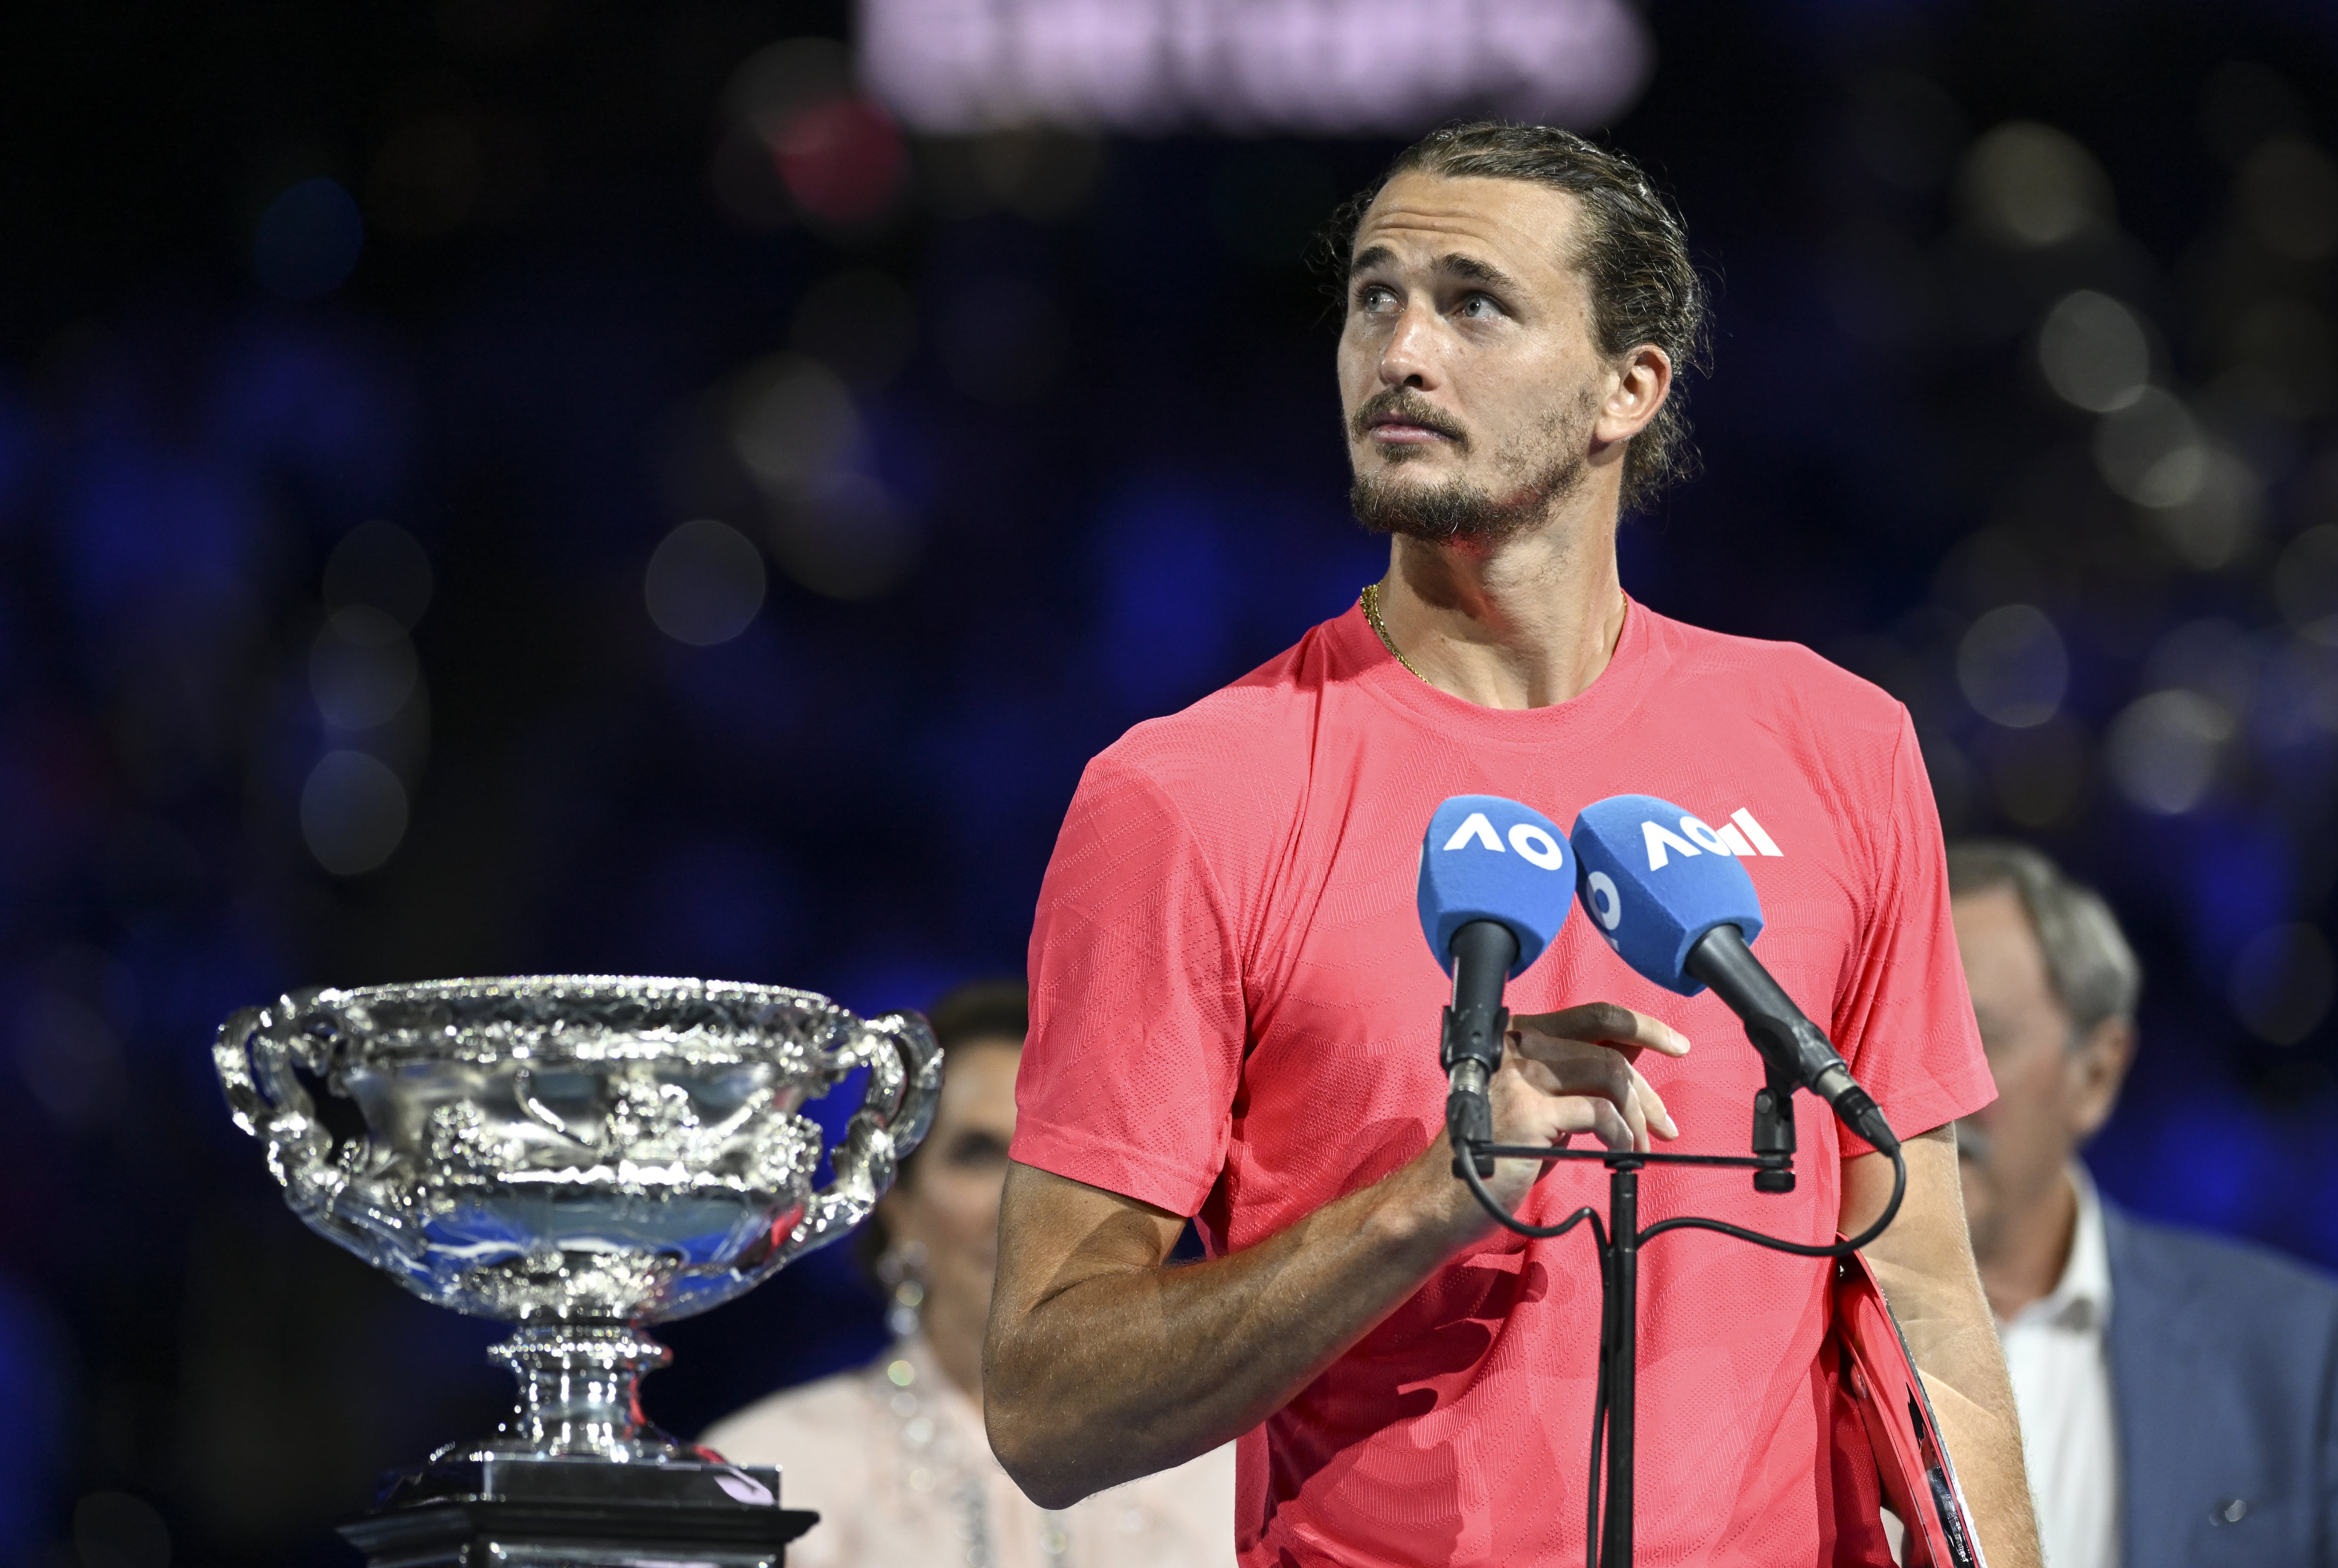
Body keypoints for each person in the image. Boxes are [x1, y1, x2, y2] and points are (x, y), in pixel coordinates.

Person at [983, 120, 2042, 1568]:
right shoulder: (1188, 794)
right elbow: (1048, 1409)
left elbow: (1919, 1286)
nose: (1399, 351)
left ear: (1627, 387)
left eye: (1472, 302)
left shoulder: (1836, 743)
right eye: (1372, 296)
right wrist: (1430, 1199)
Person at [704, 980, 1236, 1568]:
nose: (1022, 1203)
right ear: (897, 1207)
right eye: (978, 1155)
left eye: (1065, 1158)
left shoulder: (1239, 1481)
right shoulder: (769, 1472)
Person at [1949, 840, 2338, 1568]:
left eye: (1973, 1040)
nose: (1917, 1093)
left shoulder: (2300, 1355)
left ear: (2095, 1073)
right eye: (1879, 1040)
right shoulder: (1762, 1347)